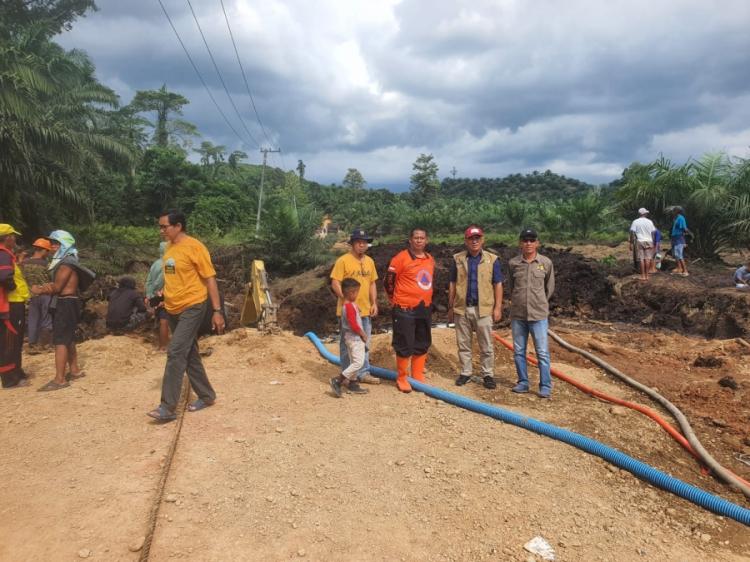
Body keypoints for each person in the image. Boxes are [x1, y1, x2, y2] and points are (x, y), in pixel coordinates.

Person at [147, 210, 223, 422]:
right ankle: (207, 396)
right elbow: (173, 278)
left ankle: (167, 406)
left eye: (165, 226)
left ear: (178, 226)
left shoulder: (195, 247)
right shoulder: (169, 249)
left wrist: (217, 311)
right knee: (189, 354)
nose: (161, 230)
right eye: (160, 227)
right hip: (172, 308)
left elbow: (210, 279)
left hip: (193, 305)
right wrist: (161, 296)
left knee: (175, 351)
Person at [448, 225, 504, 389]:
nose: (474, 241)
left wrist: (498, 307)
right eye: (471, 238)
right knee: (463, 344)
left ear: (482, 240)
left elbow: (498, 284)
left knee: (486, 344)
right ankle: (466, 372)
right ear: (466, 241)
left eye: (477, 238)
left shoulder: (492, 260)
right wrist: (450, 307)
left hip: (484, 309)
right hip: (462, 308)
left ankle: (488, 374)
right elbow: (452, 283)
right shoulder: (457, 259)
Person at [30, 230, 87, 391]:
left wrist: (39, 289)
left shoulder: (66, 262)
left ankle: (59, 379)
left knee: (60, 340)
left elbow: (57, 287)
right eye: (52, 242)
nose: (52, 245)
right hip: (68, 302)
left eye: (56, 242)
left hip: (65, 302)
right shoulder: (67, 260)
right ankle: (74, 370)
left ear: (65, 244)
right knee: (67, 337)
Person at [384, 227, 435, 393]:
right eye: (416, 238)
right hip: (404, 308)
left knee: (422, 341)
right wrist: (395, 300)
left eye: (422, 238)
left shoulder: (430, 259)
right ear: (410, 240)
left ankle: (418, 375)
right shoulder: (400, 258)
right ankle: (402, 377)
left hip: (424, 308)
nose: (419, 240)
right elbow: (389, 282)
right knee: (404, 342)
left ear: (426, 240)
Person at [507, 228, 555, 398]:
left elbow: (549, 288)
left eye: (531, 240)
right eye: (525, 240)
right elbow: (511, 287)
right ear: (520, 243)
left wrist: (539, 302)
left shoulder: (546, 263)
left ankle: (545, 385)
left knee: (542, 352)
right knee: (519, 351)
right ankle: (523, 382)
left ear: (537, 243)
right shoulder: (513, 263)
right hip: (518, 315)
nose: (528, 243)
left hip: (538, 315)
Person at [330, 228, 380, 385]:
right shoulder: (343, 261)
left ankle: (363, 373)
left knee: (364, 343)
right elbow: (335, 282)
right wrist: (344, 299)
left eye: (364, 243)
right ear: (352, 244)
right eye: (359, 242)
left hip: (365, 309)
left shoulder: (370, 262)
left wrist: (374, 303)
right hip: (348, 311)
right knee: (347, 344)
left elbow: (372, 283)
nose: (362, 245)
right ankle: (347, 375)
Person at [0, 224, 29, 389]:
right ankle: (10, 379)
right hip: (11, 303)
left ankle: (16, 372)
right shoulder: (3, 254)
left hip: (13, 302)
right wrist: (11, 287)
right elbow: (4, 276)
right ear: (7, 237)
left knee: (14, 339)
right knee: (10, 341)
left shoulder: (7, 254)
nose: (15, 239)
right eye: (13, 236)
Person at [329, 278, 369, 397]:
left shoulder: (347, 306)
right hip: (355, 339)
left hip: (349, 338)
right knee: (358, 363)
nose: (357, 294)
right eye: (357, 292)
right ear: (351, 293)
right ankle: (338, 380)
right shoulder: (350, 307)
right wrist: (362, 333)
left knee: (353, 361)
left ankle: (353, 383)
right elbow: (353, 324)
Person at [21, 239, 53, 350]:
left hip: (31, 295)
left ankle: (32, 344)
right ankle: (46, 344)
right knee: (46, 318)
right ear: (43, 250)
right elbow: (52, 279)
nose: (48, 253)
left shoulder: (24, 263)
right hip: (46, 294)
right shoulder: (46, 264)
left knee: (33, 319)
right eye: (48, 251)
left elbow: (22, 279)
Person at [145, 241, 170, 350]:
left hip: (154, 295)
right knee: (164, 320)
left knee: (160, 318)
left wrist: (149, 295)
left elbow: (149, 280)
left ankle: (161, 344)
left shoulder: (155, 263)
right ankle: (164, 346)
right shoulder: (169, 263)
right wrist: (160, 292)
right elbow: (164, 279)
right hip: (164, 294)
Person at [629, 208, 656, 281]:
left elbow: (632, 233)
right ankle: (647, 276)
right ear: (645, 214)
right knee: (647, 259)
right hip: (649, 240)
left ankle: (643, 276)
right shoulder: (650, 222)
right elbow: (653, 232)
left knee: (641, 259)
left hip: (640, 241)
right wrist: (653, 242)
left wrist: (631, 243)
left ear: (639, 214)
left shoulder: (635, 222)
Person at [670, 206, 691, 277]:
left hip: (679, 238)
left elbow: (684, 228)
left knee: (679, 255)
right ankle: (679, 269)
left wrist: (690, 234)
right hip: (675, 238)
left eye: (673, 211)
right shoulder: (676, 218)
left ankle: (685, 271)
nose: (672, 212)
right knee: (676, 255)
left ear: (676, 211)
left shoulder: (681, 218)